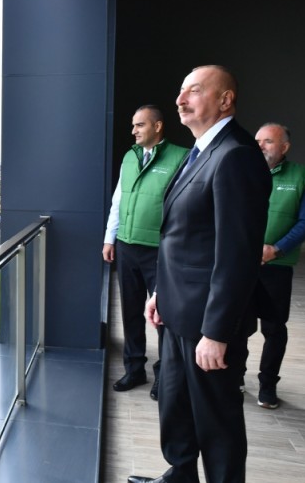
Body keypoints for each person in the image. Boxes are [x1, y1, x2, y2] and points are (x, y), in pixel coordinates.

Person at [128, 65, 271, 483]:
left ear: (225, 100)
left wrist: (217, 332)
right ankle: (181, 475)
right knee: (175, 406)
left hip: (207, 323)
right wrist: (161, 293)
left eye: (193, 91)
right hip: (178, 311)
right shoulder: (202, 151)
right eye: (180, 92)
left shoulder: (236, 155)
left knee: (217, 421)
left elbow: (237, 255)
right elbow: (185, 238)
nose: (179, 100)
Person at [103, 105, 188, 400]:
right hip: (126, 246)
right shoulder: (130, 156)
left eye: (140, 125)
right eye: (133, 125)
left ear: (158, 126)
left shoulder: (181, 157)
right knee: (130, 312)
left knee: (163, 315)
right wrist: (110, 238)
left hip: (160, 250)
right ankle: (134, 369)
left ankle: (165, 375)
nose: (134, 131)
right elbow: (119, 199)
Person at [247, 122, 305, 409]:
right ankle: (234, 377)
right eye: (257, 140)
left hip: (277, 265)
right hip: (241, 263)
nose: (260, 146)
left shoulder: (302, 175)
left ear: (284, 147)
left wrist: (275, 250)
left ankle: (267, 385)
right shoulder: (243, 171)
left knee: (274, 328)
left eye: (268, 141)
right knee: (236, 324)